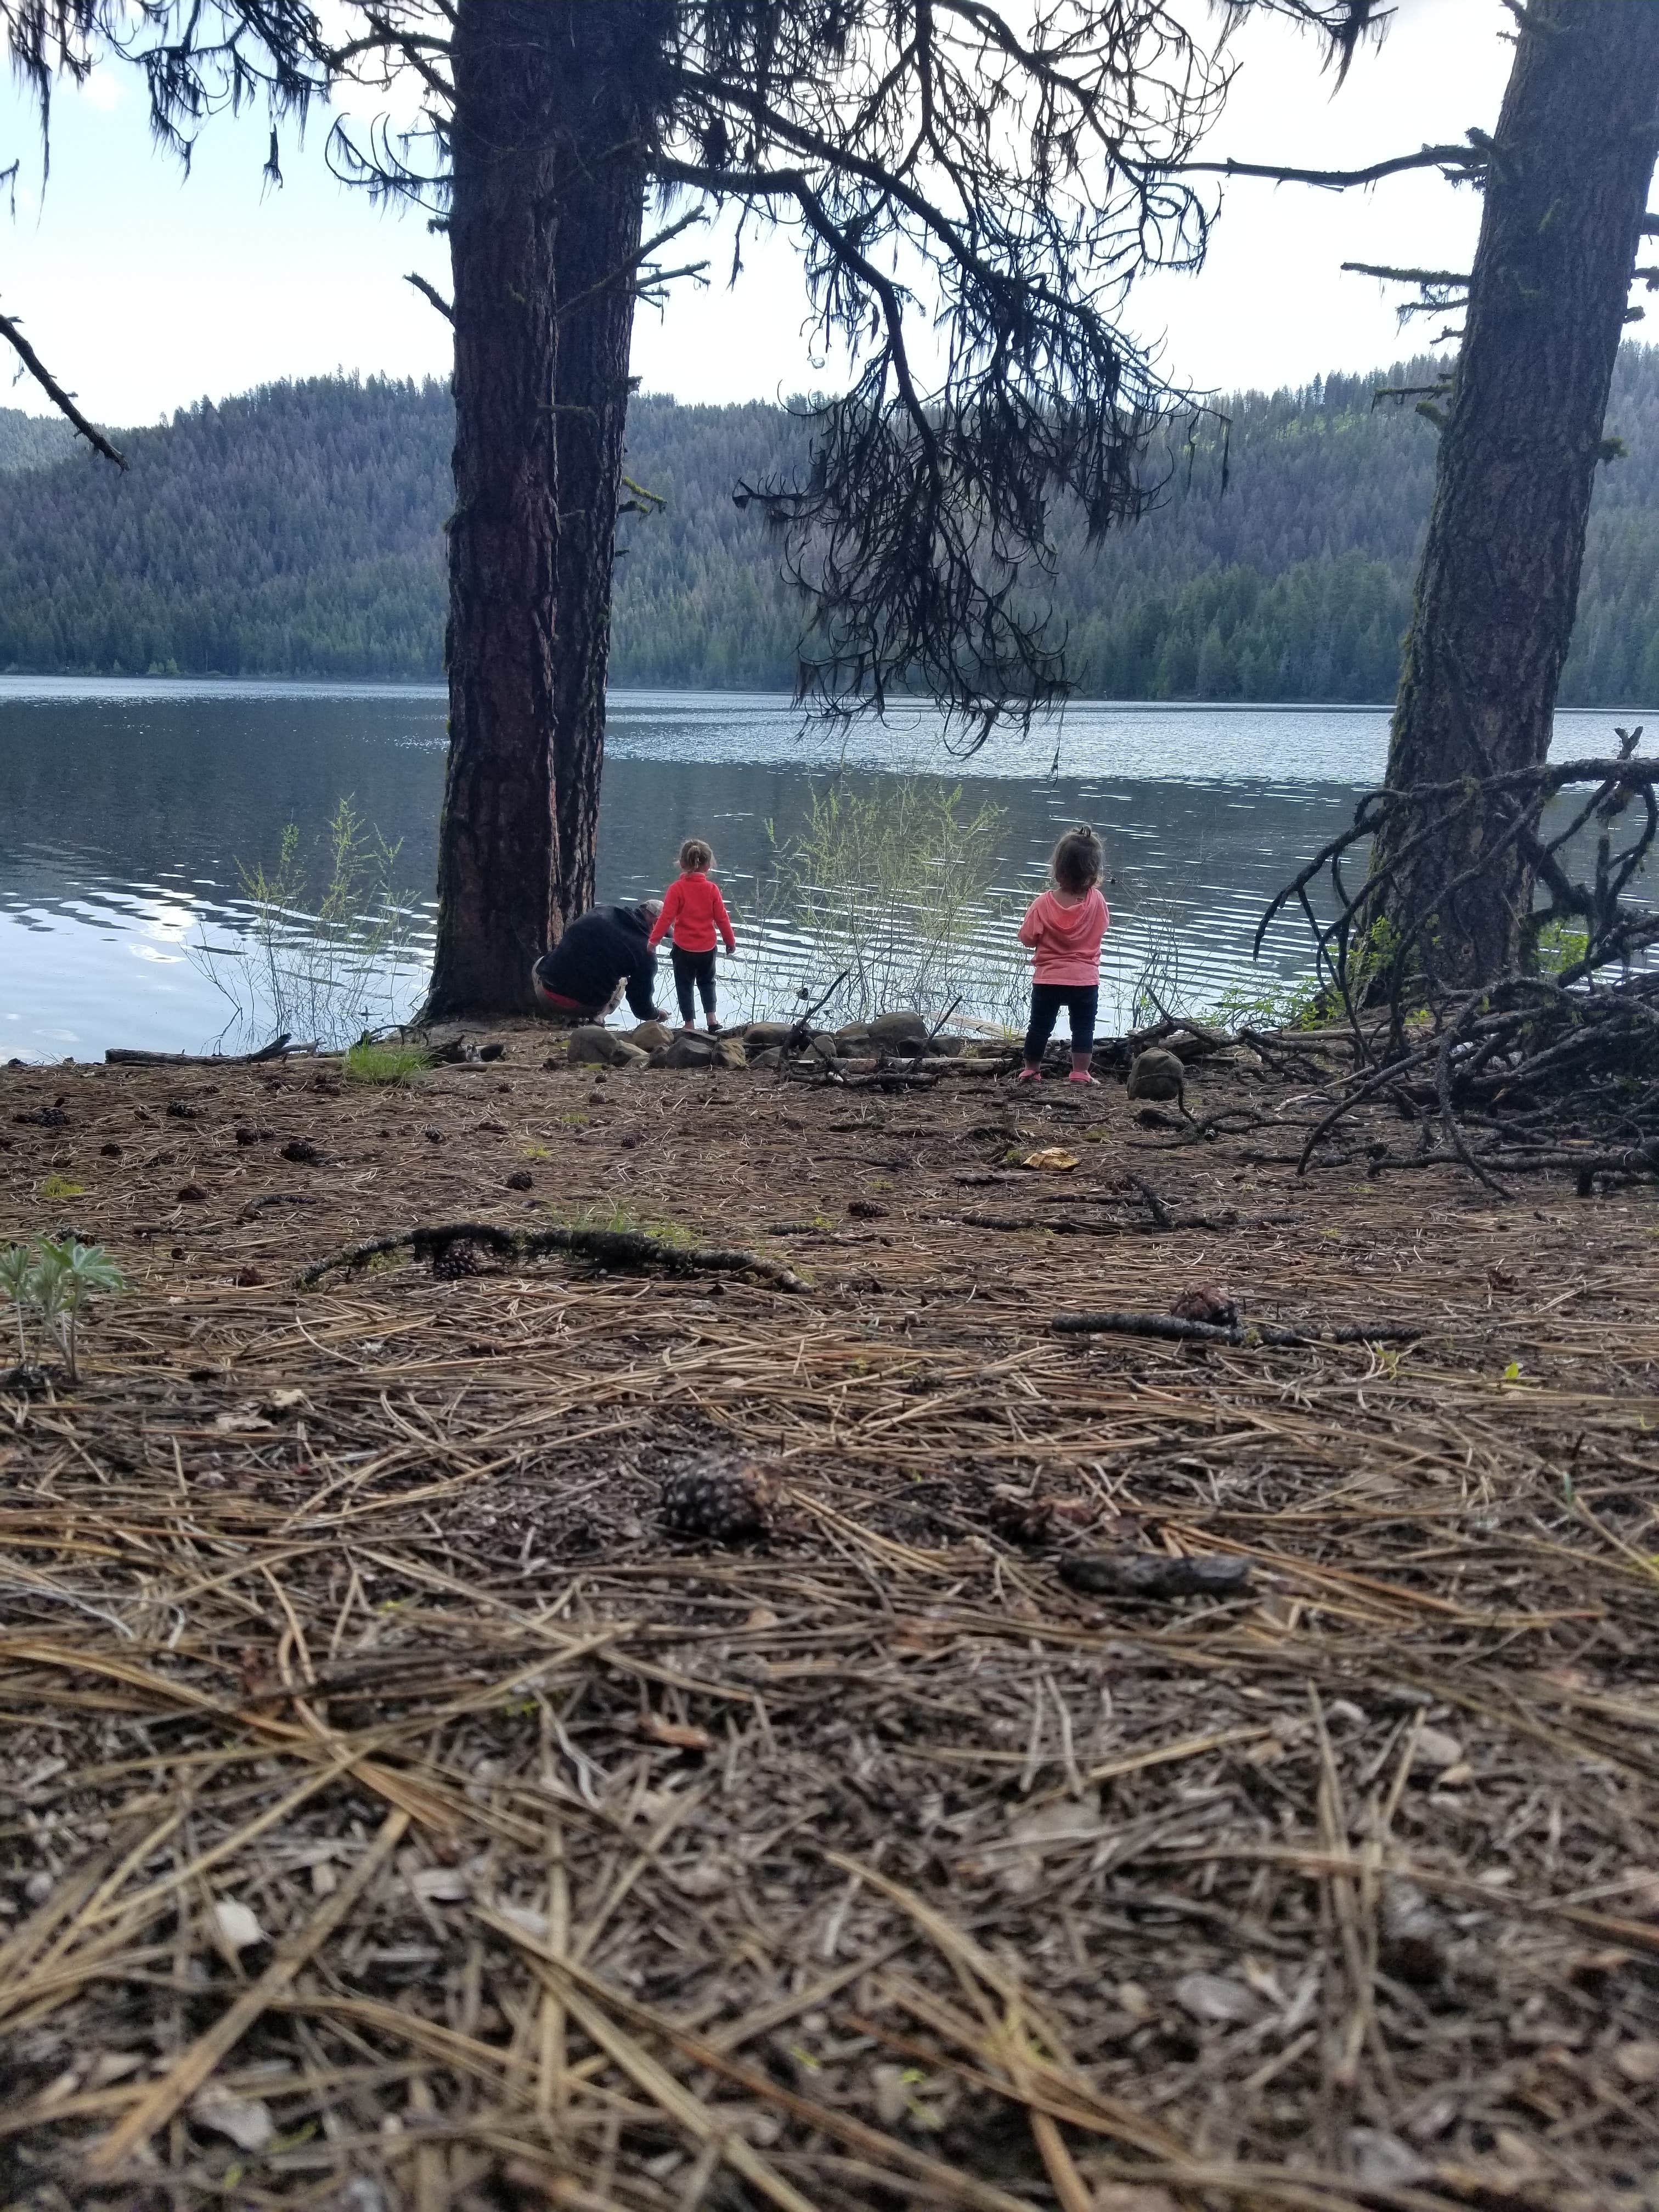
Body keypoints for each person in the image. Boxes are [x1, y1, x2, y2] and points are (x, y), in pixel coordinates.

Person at [1015, 825, 1110, 1084]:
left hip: (1048, 978)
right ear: (1094, 870)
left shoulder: (1042, 903)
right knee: (1083, 1028)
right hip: (1085, 980)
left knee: (1039, 1027)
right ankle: (1080, 1072)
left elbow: (1026, 939)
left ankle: (1032, 1069)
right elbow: (1101, 928)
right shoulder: (1097, 901)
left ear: (1057, 867)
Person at [648, 837, 738, 1032]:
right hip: (707, 948)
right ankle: (712, 1020)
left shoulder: (676, 889)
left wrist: (653, 941)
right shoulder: (712, 890)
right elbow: (723, 919)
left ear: (681, 864)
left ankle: (689, 1024)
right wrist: (730, 942)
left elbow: (665, 919)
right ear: (708, 866)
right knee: (707, 982)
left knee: (684, 985)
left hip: (684, 949)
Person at [531, 901, 668, 1025]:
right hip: (587, 1007)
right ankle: (598, 1019)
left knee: (542, 962)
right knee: (623, 981)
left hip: (546, 994)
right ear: (656, 923)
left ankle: (568, 1016)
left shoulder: (604, 910)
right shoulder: (647, 954)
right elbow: (641, 1009)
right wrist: (656, 1014)